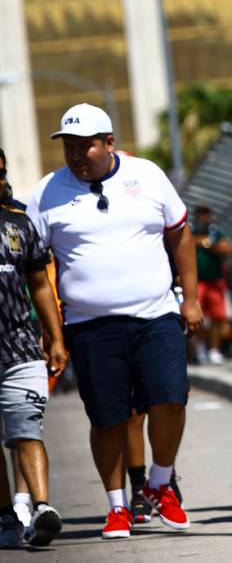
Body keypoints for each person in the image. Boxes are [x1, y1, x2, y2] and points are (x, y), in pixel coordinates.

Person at [27, 103, 202, 539]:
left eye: (85, 146)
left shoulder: (147, 175)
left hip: (155, 312)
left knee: (170, 398)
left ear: (109, 143)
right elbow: (36, 268)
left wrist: (191, 297)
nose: (76, 155)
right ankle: (117, 506)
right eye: (68, 146)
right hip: (90, 324)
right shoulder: (46, 193)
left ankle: (161, 484)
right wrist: (52, 333)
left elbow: (179, 234)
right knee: (108, 417)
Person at [0, 151, 67, 548]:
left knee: (26, 431)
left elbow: (40, 283)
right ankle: (6, 516)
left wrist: (55, 337)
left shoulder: (18, 224)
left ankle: (41, 508)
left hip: (20, 349)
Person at [192, 206, 232, 365]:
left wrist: (209, 245)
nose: (203, 218)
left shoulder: (216, 233)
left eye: (205, 215)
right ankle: (200, 348)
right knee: (197, 318)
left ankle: (215, 350)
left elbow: (228, 248)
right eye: (200, 215)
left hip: (215, 281)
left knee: (218, 318)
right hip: (197, 282)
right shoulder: (190, 231)